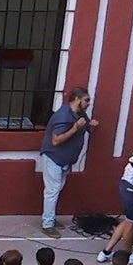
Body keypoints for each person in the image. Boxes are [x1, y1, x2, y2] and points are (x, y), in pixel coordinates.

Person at [36, 87, 93, 233]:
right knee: (52, 190)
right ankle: (47, 224)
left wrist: (92, 126)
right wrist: (74, 128)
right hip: (54, 157)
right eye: (86, 100)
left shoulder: (81, 114)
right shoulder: (63, 116)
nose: (89, 103)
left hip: (66, 160)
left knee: (57, 189)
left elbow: (88, 129)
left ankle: (51, 217)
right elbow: (56, 140)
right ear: (76, 99)